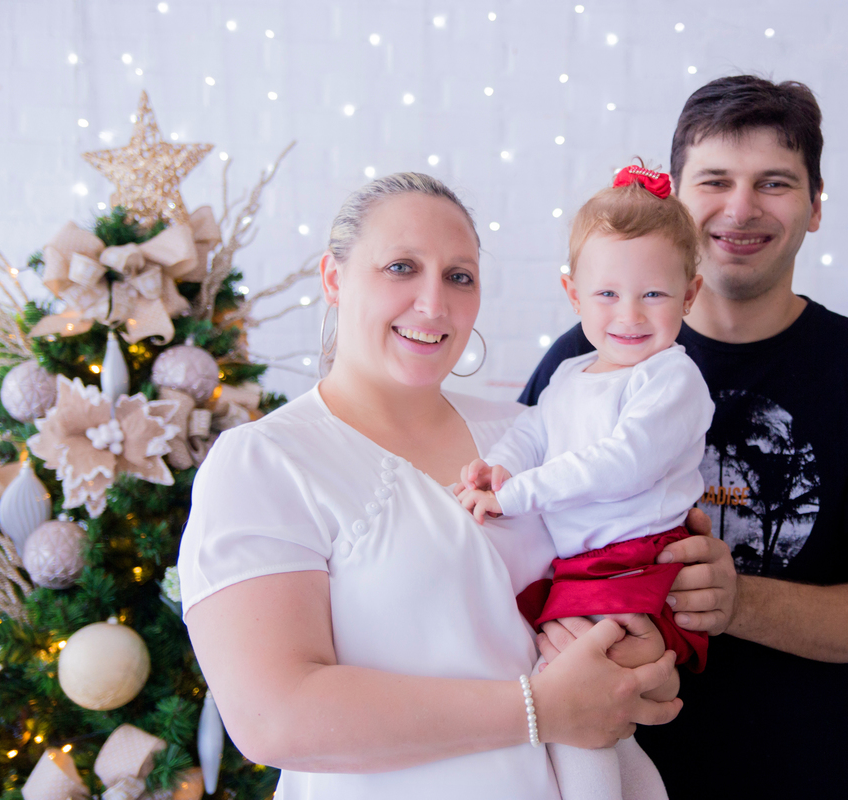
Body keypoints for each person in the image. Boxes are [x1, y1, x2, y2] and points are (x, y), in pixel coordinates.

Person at [177, 172, 689, 800]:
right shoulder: (265, 463)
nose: (433, 303)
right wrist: (540, 709)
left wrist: (650, 647)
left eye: (459, 276)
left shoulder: (532, 432)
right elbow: (273, 717)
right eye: (400, 267)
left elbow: (641, 573)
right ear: (334, 279)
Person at [522, 76, 848, 798]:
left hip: (799, 777)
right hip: (603, 771)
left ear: (815, 206)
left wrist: (737, 601)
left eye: (775, 183)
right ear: (675, 205)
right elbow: (518, 534)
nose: (741, 208)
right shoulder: (586, 357)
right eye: (715, 180)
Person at [456, 165, 715, 800]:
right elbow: (533, 431)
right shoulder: (571, 373)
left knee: (582, 689)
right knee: (553, 681)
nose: (629, 314)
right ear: (573, 294)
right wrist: (502, 467)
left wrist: (518, 495)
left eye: (653, 295)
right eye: (607, 295)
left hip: (637, 560)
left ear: (691, 293)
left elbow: (619, 463)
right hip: (582, 565)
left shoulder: (671, 379)